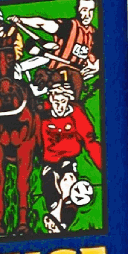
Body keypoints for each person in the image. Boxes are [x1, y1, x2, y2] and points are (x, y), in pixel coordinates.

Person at [35, 68, 101, 232]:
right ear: (50, 97)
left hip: (68, 161)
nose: (59, 106)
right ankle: (55, 216)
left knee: (68, 183)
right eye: (56, 101)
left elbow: (90, 141)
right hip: (49, 162)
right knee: (50, 185)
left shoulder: (76, 114)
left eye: (63, 101)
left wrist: (103, 166)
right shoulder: (41, 112)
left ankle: (62, 223)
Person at [12, 0, 101, 79]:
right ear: (77, 10)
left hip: (76, 78)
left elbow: (98, 56)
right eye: (84, 10)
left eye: (91, 10)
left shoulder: (94, 34)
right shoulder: (68, 26)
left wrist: (97, 65)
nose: (88, 15)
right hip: (55, 77)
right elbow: (43, 23)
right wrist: (20, 20)